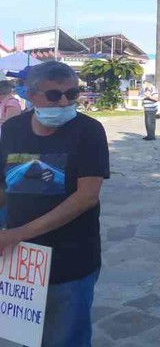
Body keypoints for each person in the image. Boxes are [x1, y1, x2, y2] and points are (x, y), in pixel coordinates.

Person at [0, 61, 110, 346]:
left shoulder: (89, 131)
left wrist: (18, 233)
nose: (64, 102)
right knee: (27, 339)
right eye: (54, 95)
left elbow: (87, 196)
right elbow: (4, 185)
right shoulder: (12, 130)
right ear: (31, 95)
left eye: (72, 94)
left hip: (70, 259)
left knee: (66, 339)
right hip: (20, 262)